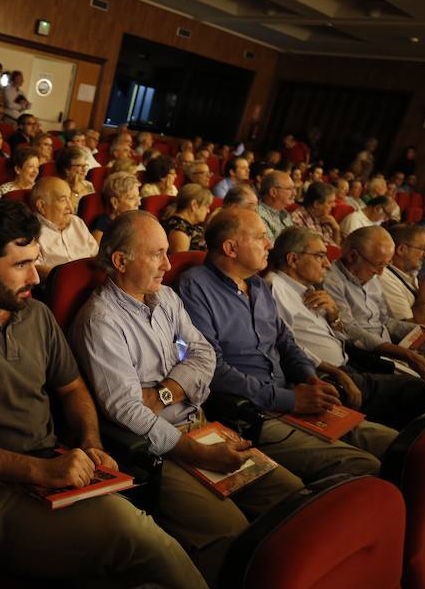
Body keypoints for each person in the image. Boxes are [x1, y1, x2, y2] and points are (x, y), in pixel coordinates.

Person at [0, 199, 208, 588]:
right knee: (145, 542)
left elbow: (72, 387)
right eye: (20, 265)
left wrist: (90, 440)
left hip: (53, 466)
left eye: (35, 260)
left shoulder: (37, 315)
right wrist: (39, 470)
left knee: (140, 560)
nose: (35, 277)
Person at [70, 211, 303, 584]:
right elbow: (127, 411)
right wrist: (197, 450)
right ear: (120, 261)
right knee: (232, 530)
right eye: (157, 254)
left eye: (166, 253)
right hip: (161, 452)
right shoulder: (101, 320)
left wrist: (162, 392)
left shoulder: (165, 296)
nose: (168, 264)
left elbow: (203, 353)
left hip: (202, 425)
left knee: (292, 496)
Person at [178, 208, 398, 482]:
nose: (269, 244)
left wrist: (309, 378)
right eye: (260, 237)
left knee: (393, 444)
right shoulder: (194, 287)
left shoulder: (256, 285)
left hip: (293, 393)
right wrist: (290, 400)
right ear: (231, 248)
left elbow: (285, 341)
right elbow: (211, 369)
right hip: (253, 412)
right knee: (364, 465)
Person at [266, 227, 425, 429]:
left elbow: (339, 333)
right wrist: (337, 374)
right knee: (417, 391)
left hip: (347, 361)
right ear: (293, 260)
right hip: (323, 376)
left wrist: (334, 316)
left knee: (416, 389)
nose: (328, 264)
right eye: (320, 256)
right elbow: (286, 345)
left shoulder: (310, 289)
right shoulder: (275, 289)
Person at [323, 226, 425, 393]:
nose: (381, 272)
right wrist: (404, 354)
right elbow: (348, 330)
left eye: (386, 265)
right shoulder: (330, 281)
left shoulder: (371, 276)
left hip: (392, 351)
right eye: (378, 264)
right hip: (365, 357)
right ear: (353, 256)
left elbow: (385, 321)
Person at [380, 224, 425, 327]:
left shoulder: (411, 274)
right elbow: (412, 329)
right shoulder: (384, 277)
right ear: (401, 249)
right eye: (423, 249)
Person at [31, 177, 98, 278]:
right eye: (62, 200)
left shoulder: (77, 222)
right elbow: (34, 267)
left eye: (70, 198)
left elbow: (95, 254)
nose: (70, 207)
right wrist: (67, 278)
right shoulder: (31, 230)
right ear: (42, 206)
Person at [161, 183, 212, 254]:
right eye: (206, 206)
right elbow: (180, 261)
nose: (208, 210)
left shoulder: (189, 226)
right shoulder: (179, 229)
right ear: (194, 205)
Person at [91, 172, 141, 243]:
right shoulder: (103, 224)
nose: (139, 203)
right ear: (115, 203)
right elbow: (97, 252)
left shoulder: (136, 221)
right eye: (132, 198)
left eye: (138, 196)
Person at [290, 182, 342, 247]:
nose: (334, 205)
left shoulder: (326, 218)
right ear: (316, 204)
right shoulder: (297, 218)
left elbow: (335, 248)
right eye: (330, 202)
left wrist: (336, 229)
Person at [257, 171, 295, 243]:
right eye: (290, 189)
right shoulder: (259, 216)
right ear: (273, 192)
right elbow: (272, 249)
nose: (294, 193)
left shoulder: (284, 213)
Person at [56, 146, 94, 210]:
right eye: (79, 166)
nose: (84, 170)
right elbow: (70, 211)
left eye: (85, 165)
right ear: (66, 169)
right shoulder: (59, 188)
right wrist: (75, 192)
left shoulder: (88, 185)